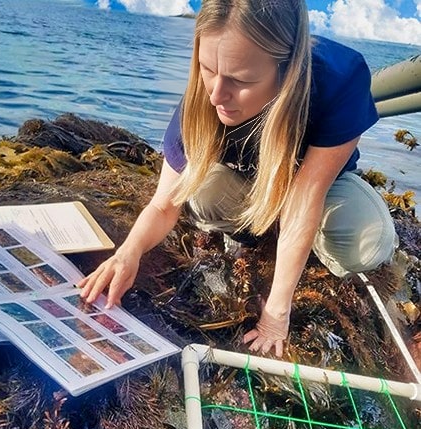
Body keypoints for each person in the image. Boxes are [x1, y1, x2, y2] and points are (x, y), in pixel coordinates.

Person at [79, 0, 397, 357]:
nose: (216, 95)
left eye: (241, 80)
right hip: (246, 179)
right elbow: (164, 203)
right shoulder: (203, 100)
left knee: (366, 244)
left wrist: (277, 312)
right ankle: (257, 230)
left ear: (286, 70)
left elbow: (305, 197)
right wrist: (128, 252)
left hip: (318, 183)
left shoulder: (341, 78)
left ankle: (309, 245)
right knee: (201, 193)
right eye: (207, 69)